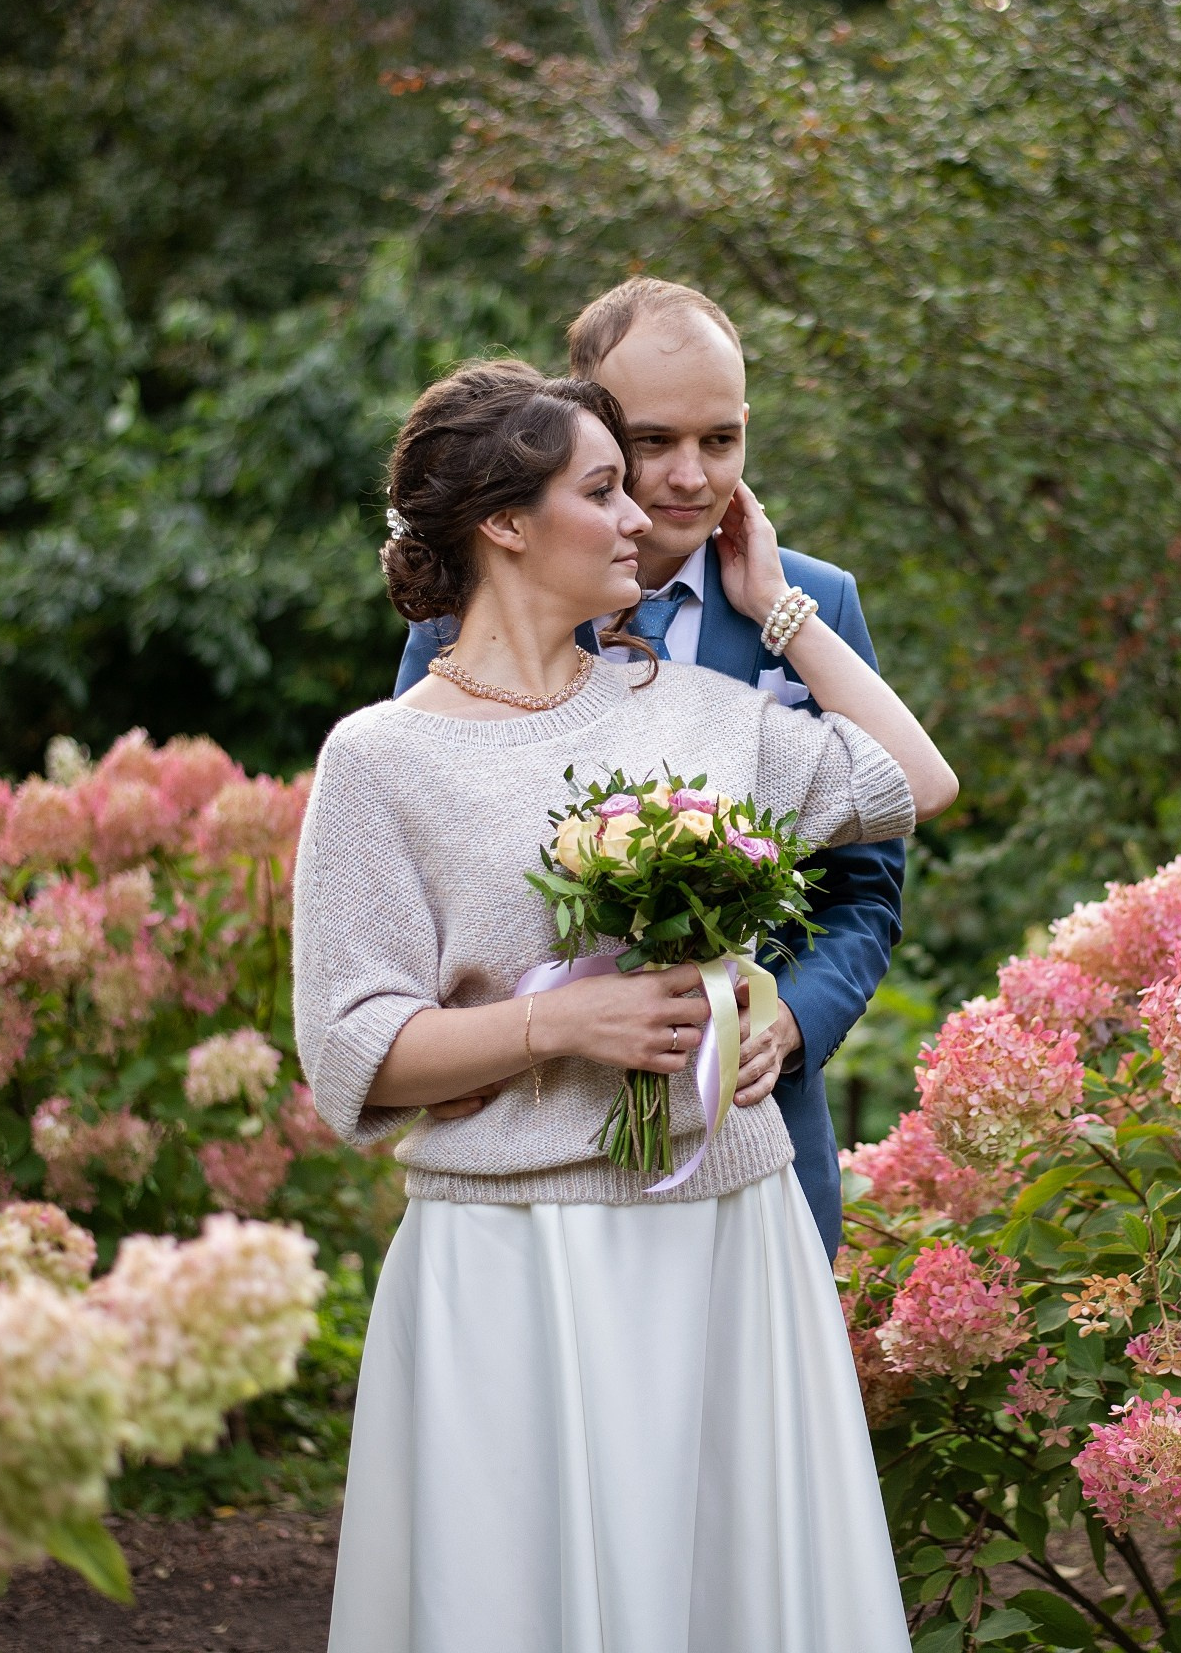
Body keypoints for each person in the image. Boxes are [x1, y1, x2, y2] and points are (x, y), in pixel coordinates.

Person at [296, 357, 954, 1651]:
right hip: (515, 1260)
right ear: (503, 521)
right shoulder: (380, 760)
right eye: (603, 489)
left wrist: (779, 612)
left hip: (729, 1237)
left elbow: (914, 778)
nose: (644, 517)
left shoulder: (699, 713)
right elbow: (352, 1051)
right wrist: (561, 1025)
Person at [394, 277, 899, 1258]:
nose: (687, 476)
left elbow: (866, 889)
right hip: (535, 1143)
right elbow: (421, 875)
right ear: (583, 428)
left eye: (721, 440)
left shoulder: (818, 606)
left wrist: (791, 1022)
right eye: (653, 443)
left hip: (749, 1130)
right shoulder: (475, 608)